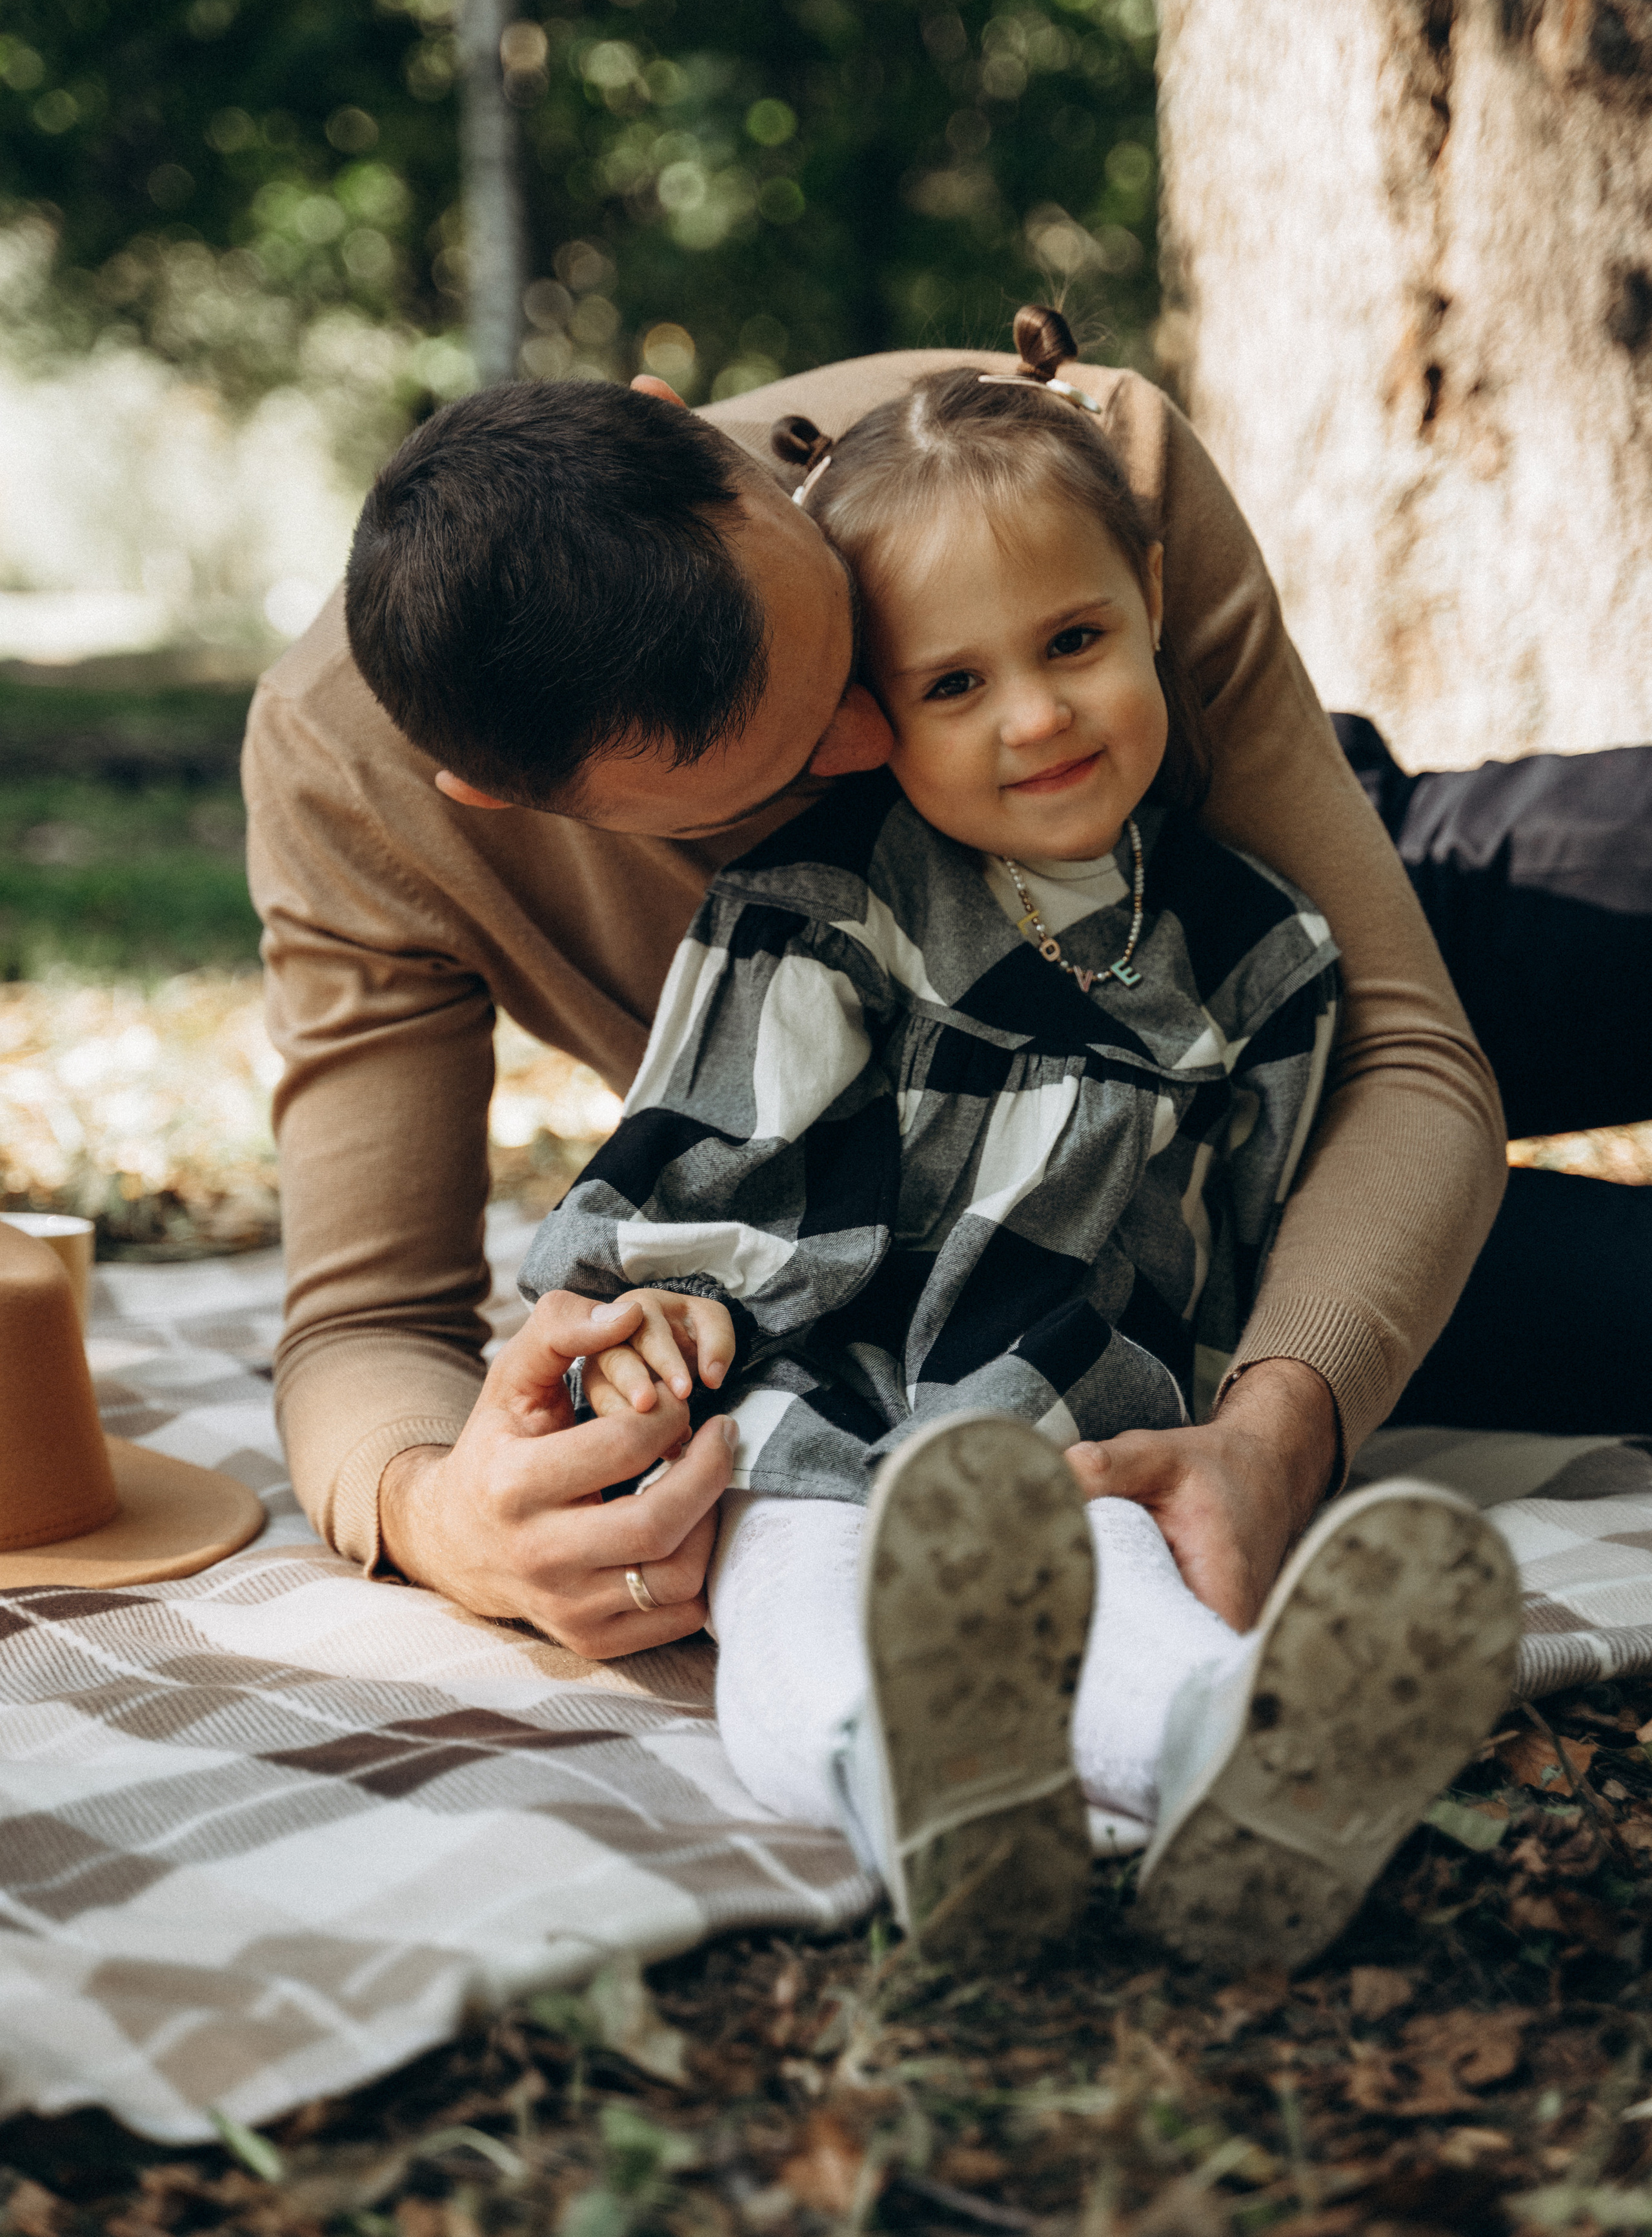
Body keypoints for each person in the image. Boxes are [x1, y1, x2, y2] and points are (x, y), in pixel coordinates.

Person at [506, 312, 1522, 1968]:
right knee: (793, 1605)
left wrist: (1228, 1408)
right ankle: (913, 1792)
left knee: (1121, 1572)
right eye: (954, 684)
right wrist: (653, 1322)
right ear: (873, 717)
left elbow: (1244, 1226)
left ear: (1148, 613)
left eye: (1072, 642)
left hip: (1064, 1405)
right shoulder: (822, 905)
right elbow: (691, 1158)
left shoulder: (1256, 945)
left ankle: (1235, 1760)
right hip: (811, 1391)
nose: (1034, 716)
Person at [245, 332, 1511, 1661]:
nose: (870, 745)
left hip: (1295, 922)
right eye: (789, 774)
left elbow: (1405, 1053)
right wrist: (448, 1517)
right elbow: (365, 1318)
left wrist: (1274, 1441)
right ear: (509, 804)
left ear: (684, 430)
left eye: (861, 651)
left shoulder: (1065, 451)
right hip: (1104, 1196)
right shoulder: (347, 783)